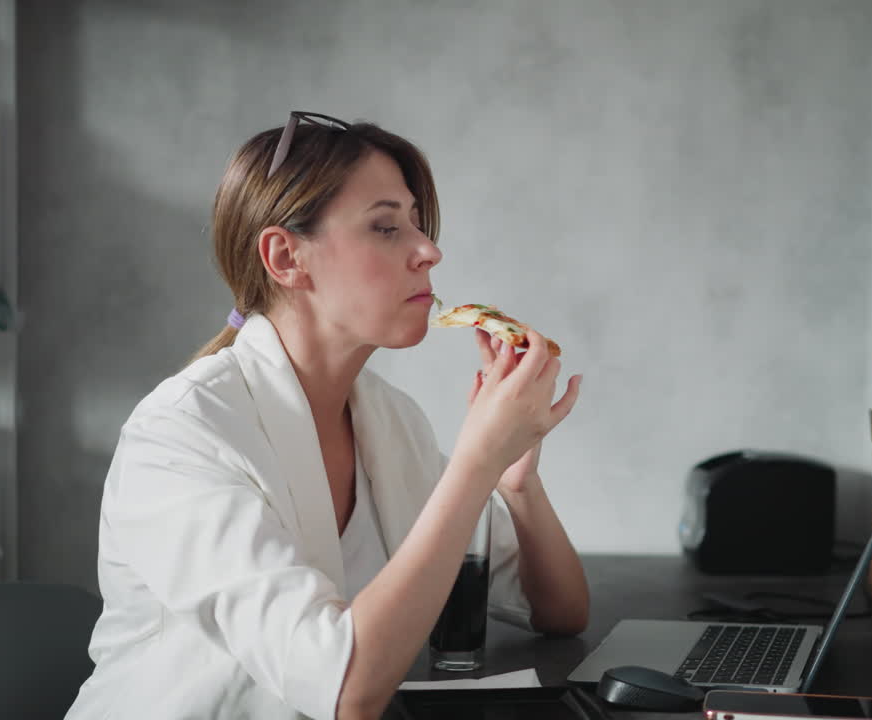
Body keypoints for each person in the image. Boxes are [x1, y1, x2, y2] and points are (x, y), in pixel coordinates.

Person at [66, 111, 587, 720]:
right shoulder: (180, 436)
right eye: (386, 227)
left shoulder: (390, 420)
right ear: (286, 257)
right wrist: (476, 461)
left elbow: (561, 611)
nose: (430, 251)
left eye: (417, 224)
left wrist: (515, 482)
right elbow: (345, 691)